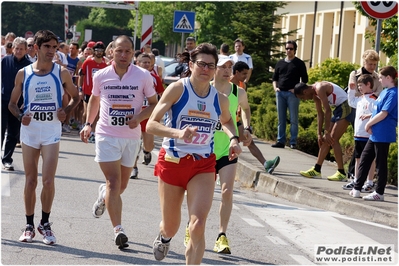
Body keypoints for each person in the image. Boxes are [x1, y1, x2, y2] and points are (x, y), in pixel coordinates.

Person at [146, 43, 242, 264]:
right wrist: (179, 133)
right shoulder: (178, 89)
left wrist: (233, 139)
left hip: (203, 165)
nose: (206, 69)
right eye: (201, 64)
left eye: (211, 65)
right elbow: (151, 124)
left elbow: (227, 121)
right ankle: (164, 236)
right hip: (173, 161)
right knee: (171, 225)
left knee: (197, 225)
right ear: (191, 65)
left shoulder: (220, 99)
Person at [80, 35, 157, 249]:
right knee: (114, 182)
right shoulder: (101, 75)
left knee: (120, 186)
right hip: (106, 134)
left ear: (133, 53)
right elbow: (94, 99)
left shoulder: (143, 76)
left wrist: (139, 118)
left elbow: (154, 103)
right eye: (120, 51)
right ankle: (118, 230)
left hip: (131, 137)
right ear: (112, 52)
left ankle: (103, 195)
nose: (124, 55)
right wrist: (88, 123)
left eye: (128, 52)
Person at [9, 30, 79, 244]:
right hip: (30, 132)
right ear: (36, 48)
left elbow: (76, 98)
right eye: (47, 46)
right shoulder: (24, 73)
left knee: (48, 181)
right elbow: (12, 104)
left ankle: (45, 224)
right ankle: (29, 225)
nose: (51, 51)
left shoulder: (61, 73)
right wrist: (21, 116)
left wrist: (65, 112)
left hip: (51, 132)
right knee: (30, 181)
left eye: (54, 47)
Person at [208, 55, 252, 254]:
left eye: (230, 67)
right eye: (222, 67)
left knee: (227, 191)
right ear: (214, 68)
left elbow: (245, 109)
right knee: (204, 195)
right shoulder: (204, 88)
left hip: (228, 148)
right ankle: (191, 227)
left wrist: (247, 128)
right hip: (206, 150)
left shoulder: (238, 91)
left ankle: (221, 235)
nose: (227, 71)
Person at [350, 66, 398, 201]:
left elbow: (384, 113)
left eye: (381, 78)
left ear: (388, 78)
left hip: (383, 132)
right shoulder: (384, 92)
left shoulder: (393, 93)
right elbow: (377, 110)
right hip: (376, 132)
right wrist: (370, 119)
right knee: (365, 158)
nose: (380, 80)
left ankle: (379, 192)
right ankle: (357, 188)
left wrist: (369, 123)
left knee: (380, 163)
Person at [294, 81, 355, 181]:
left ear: (305, 92)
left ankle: (341, 173)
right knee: (325, 140)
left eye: (302, 98)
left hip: (346, 106)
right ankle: (317, 170)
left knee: (333, 139)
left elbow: (327, 110)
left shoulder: (319, 88)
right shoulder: (314, 94)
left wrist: (326, 132)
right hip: (339, 109)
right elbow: (320, 114)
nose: (304, 100)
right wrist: (319, 133)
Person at [231, 61, 280, 173]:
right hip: (222, 120)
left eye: (247, 73)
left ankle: (266, 164)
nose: (246, 76)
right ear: (236, 72)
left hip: (235, 118)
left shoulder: (242, 85)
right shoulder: (224, 82)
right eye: (244, 73)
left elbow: (245, 107)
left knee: (249, 141)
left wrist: (247, 126)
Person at [345, 49, 383, 180]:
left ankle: (367, 178)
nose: (372, 67)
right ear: (364, 62)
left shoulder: (377, 77)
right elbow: (352, 88)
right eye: (370, 64)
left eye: (374, 64)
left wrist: (370, 97)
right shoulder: (355, 74)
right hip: (357, 107)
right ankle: (353, 174)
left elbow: (379, 93)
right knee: (358, 144)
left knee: (367, 145)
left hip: (370, 108)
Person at [130, 53, 164, 179]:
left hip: (149, 115)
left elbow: (162, 95)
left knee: (149, 145)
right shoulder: (131, 76)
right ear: (137, 63)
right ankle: (134, 167)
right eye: (144, 62)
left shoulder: (154, 78)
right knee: (133, 144)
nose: (147, 64)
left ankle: (146, 151)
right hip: (134, 114)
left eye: (149, 63)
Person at [1, 37, 32, 171]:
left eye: (21, 49)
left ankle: (7, 159)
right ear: (12, 48)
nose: (18, 51)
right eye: (16, 48)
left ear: (26, 50)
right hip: (3, 99)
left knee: (13, 133)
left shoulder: (29, 66)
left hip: (18, 104)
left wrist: (26, 101)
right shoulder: (4, 61)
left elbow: (30, 86)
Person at [342, 74, 377, 192]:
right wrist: (351, 89)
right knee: (358, 158)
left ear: (368, 85)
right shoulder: (360, 99)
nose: (359, 88)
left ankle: (370, 182)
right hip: (358, 134)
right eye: (358, 86)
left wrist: (369, 117)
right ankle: (357, 180)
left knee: (370, 159)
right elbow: (351, 101)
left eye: (361, 86)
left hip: (368, 135)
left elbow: (378, 113)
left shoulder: (373, 99)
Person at [271, 40, 308, 149]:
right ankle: (280, 141)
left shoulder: (299, 63)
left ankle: (293, 142)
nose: (288, 50)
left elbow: (305, 80)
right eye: (287, 48)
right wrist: (275, 88)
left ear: (295, 50)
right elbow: (274, 78)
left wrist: (296, 90)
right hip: (280, 93)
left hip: (293, 94)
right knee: (281, 119)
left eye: (291, 49)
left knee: (293, 119)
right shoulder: (280, 63)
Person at [78, 41, 108, 143]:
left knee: (97, 114)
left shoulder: (105, 64)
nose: (99, 52)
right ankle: (84, 128)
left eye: (101, 50)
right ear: (93, 51)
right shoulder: (88, 62)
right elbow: (81, 76)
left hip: (100, 93)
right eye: (97, 50)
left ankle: (93, 133)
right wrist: (80, 90)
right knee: (87, 113)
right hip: (88, 91)